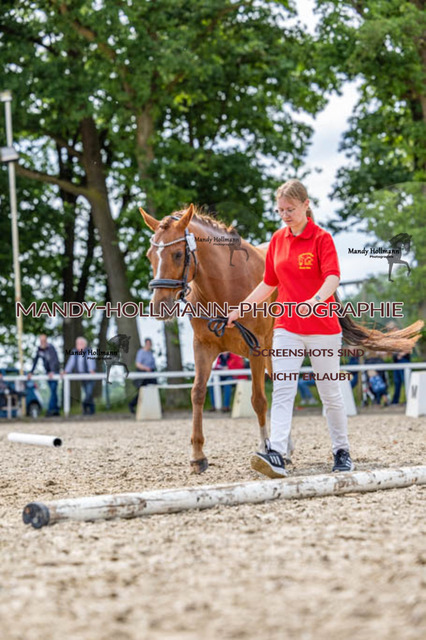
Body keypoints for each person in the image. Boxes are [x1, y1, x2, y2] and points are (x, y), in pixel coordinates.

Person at [227, 178, 354, 477]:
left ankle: (342, 450)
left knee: (329, 393)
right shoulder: (277, 240)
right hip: (286, 327)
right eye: (280, 210)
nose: (285, 215)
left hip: (323, 328)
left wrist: (315, 301)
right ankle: (277, 454)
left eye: (290, 209)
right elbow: (268, 283)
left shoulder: (322, 238)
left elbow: (333, 277)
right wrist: (240, 308)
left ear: (306, 205)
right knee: (283, 388)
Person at [28, 334, 61, 416]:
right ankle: (56, 410)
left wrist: (52, 371)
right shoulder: (40, 350)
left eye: (44, 340)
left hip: (54, 372)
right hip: (48, 373)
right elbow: (35, 361)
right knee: (53, 391)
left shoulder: (51, 348)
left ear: (46, 340)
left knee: (53, 390)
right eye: (41, 341)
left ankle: (50, 410)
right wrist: (31, 372)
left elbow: (54, 360)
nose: (42, 342)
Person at [63, 337, 96, 415]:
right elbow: (70, 363)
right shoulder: (74, 352)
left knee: (89, 393)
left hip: (89, 376)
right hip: (82, 377)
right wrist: (66, 371)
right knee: (88, 393)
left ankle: (84, 406)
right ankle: (90, 411)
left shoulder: (88, 351)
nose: (78, 345)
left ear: (85, 344)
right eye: (77, 343)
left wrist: (91, 370)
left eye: (80, 343)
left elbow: (90, 361)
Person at [129, 338, 157, 413]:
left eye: (150, 344)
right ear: (145, 344)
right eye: (148, 344)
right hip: (143, 374)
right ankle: (132, 404)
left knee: (154, 389)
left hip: (151, 374)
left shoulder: (150, 353)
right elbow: (138, 364)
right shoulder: (141, 352)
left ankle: (155, 407)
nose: (149, 345)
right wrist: (146, 368)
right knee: (142, 392)